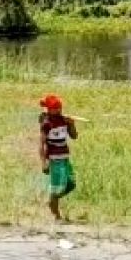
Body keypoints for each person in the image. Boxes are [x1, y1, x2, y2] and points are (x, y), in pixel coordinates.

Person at [38, 93, 78, 222]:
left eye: (59, 108)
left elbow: (74, 136)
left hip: (65, 158)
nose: (58, 110)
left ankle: (52, 200)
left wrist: (72, 124)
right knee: (57, 188)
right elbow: (42, 144)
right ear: (49, 110)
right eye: (55, 108)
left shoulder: (64, 121)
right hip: (55, 160)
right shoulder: (47, 124)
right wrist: (44, 163)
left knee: (71, 184)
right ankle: (57, 216)